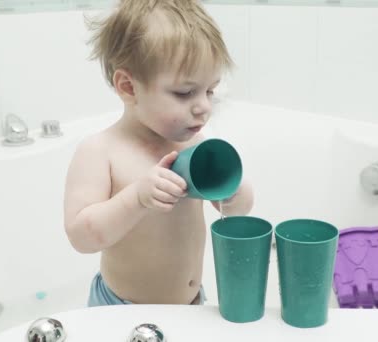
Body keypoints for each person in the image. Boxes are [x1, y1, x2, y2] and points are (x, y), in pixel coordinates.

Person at [63, 0, 254, 307]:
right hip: (122, 310)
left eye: (210, 90)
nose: (204, 106)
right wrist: (136, 198)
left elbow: (237, 211)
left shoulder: (194, 144)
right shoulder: (102, 152)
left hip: (190, 304)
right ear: (128, 87)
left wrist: (233, 192)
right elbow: (81, 238)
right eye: (184, 92)